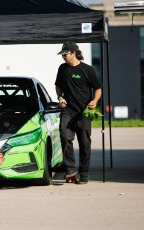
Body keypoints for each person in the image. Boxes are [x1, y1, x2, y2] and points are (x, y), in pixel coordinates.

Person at [54, 41, 102, 184]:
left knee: (85, 143)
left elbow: (98, 88)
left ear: (73, 53)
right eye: (62, 55)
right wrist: (60, 97)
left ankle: (84, 173)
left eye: (65, 54)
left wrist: (95, 101)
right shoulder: (62, 69)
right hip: (68, 111)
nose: (63, 57)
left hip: (83, 112)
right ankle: (70, 168)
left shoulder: (87, 70)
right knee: (64, 136)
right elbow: (58, 86)